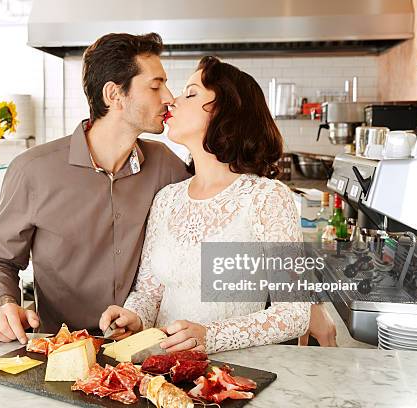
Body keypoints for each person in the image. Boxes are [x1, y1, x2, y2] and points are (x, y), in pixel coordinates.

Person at [99, 56, 337, 353]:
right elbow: (150, 292)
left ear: (226, 111)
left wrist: (209, 337)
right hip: (161, 372)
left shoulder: (268, 198)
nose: (173, 101)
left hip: (233, 377)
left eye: (191, 93)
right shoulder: (167, 199)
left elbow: (294, 314)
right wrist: (134, 316)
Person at [0, 33, 191, 344]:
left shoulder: (165, 165)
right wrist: (4, 305)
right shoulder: (32, 171)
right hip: (59, 352)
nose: (169, 97)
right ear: (114, 94)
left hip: (144, 352)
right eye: (156, 86)